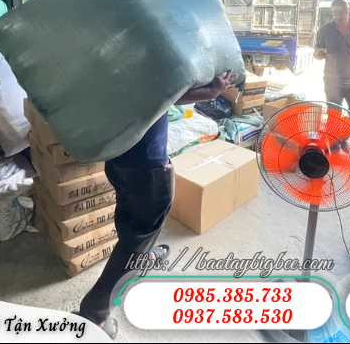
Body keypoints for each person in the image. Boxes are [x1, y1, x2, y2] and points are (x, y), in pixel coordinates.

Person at [77, 71, 239, 338]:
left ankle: (147, 256)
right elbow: (165, 93)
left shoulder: (112, 64)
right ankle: (94, 315)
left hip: (118, 160)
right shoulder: (147, 63)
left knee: (131, 220)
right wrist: (211, 92)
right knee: (135, 240)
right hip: (147, 169)